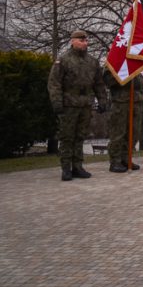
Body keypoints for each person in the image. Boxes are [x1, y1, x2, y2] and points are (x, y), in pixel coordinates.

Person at [47, 30, 109, 181]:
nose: (84, 43)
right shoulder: (63, 60)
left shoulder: (92, 61)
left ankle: (78, 166)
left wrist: (102, 100)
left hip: (86, 104)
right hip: (69, 104)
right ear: (72, 41)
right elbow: (54, 83)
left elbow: (99, 84)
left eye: (86, 41)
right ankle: (66, 168)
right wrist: (57, 102)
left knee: (80, 136)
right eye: (81, 40)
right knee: (67, 136)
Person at [102, 67, 143, 173]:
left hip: (136, 101)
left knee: (134, 132)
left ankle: (126, 158)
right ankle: (115, 160)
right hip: (121, 102)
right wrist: (126, 72)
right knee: (118, 133)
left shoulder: (138, 60)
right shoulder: (115, 61)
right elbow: (108, 80)